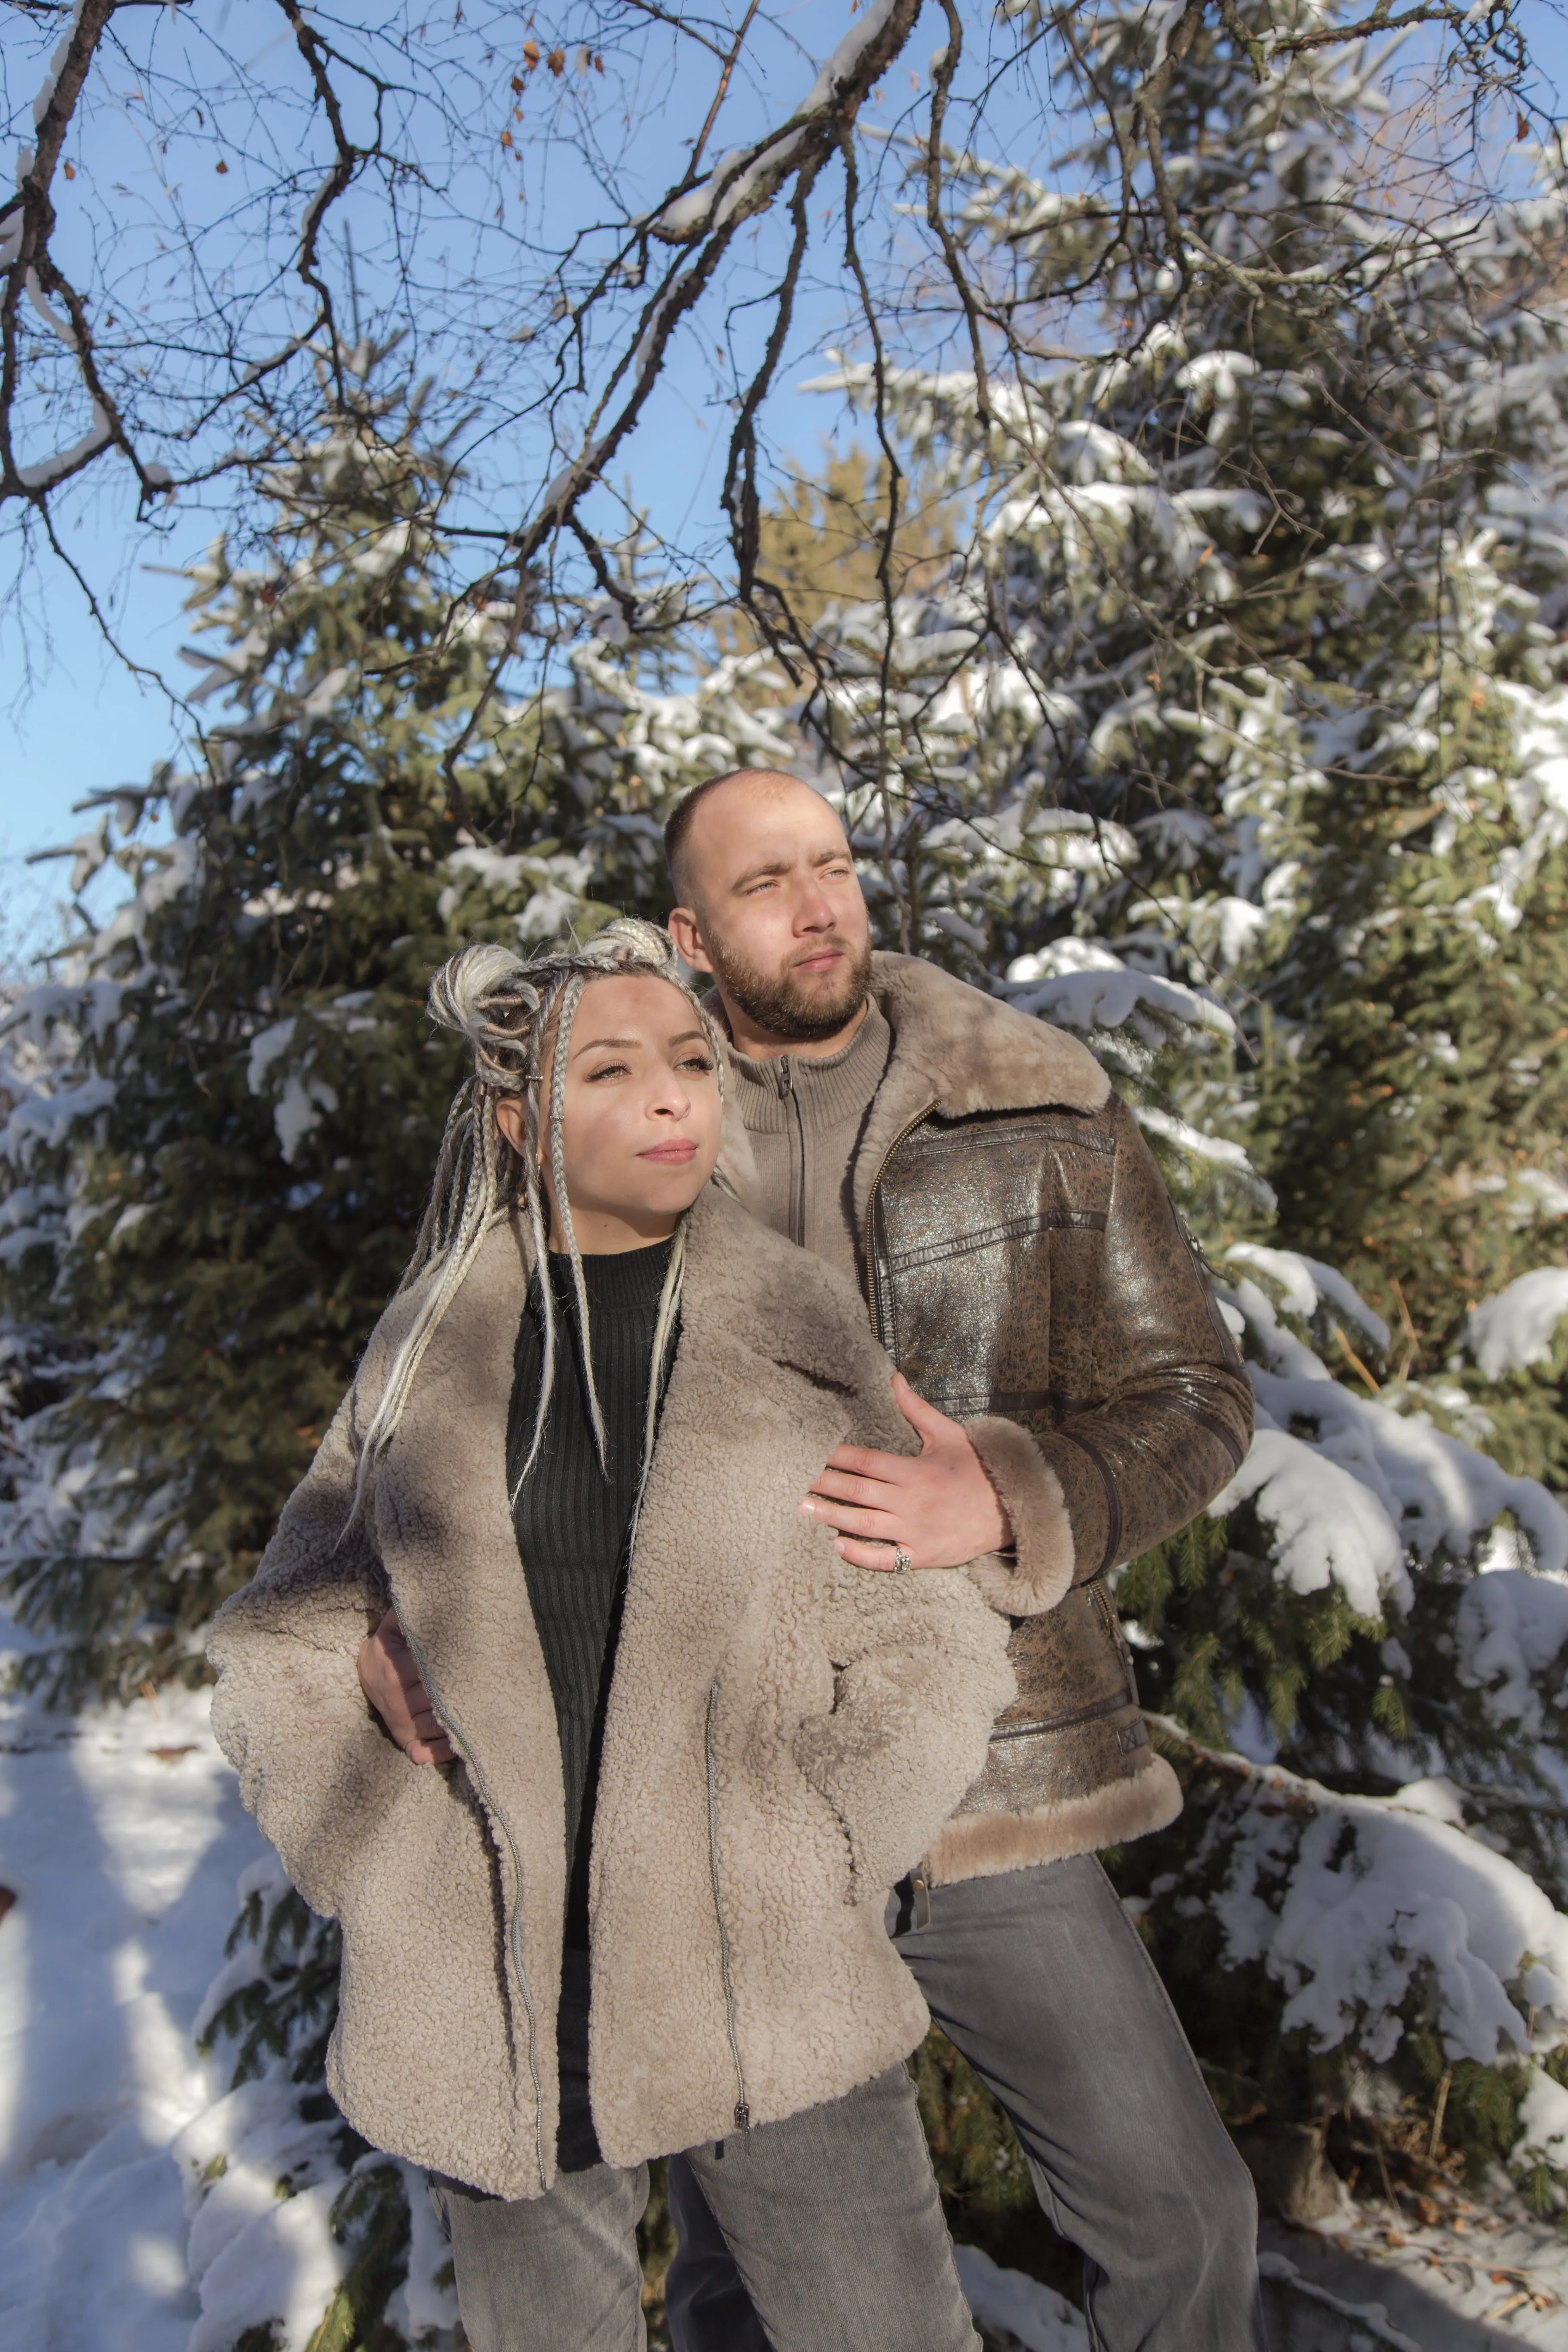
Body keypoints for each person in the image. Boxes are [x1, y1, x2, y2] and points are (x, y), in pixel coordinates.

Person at [207, 920, 1017, 2352]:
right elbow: (281, 1636)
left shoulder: (796, 1322)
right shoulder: (428, 1343)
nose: (671, 1098)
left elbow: (933, 1644)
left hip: (772, 1984)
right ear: (518, 1122)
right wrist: (377, 1848)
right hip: (493, 1991)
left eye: (693, 1062)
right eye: (615, 1070)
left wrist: (819, 1850)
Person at [659, 773, 1268, 2352]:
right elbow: (451, 1414)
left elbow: (1196, 1398)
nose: (818, 905)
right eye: (763, 884)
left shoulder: (1034, 1105)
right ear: (690, 933)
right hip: (729, 1798)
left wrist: (1007, 1497)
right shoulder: (607, 1124)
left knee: (1184, 2216)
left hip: (988, 1775)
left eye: (835, 865)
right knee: (758, 2289)